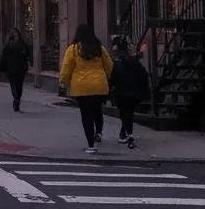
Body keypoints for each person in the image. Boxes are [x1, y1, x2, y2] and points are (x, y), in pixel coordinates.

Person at [60, 24, 114, 154]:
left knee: (86, 115)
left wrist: (63, 82)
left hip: (81, 87)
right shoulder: (99, 48)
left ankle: (91, 145)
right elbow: (109, 65)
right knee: (97, 110)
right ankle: (99, 133)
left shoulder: (73, 50)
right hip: (99, 85)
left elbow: (66, 68)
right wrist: (109, 78)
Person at [110, 36, 150, 149]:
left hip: (121, 92)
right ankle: (127, 133)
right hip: (133, 92)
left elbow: (113, 78)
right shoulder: (133, 62)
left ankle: (126, 133)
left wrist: (110, 89)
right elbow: (143, 75)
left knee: (124, 113)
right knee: (129, 113)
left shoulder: (117, 63)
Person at [0, 28, 31, 112]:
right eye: (14, 34)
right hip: (11, 69)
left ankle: (17, 100)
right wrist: (2, 68)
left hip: (21, 69)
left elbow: (28, 54)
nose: (16, 36)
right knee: (14, 86)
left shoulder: (23, 44)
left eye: (17, 34)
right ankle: (16, 99)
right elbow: (4, 57)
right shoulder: (8, 45)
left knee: (19, 86)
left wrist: (29, 61)